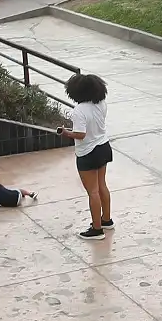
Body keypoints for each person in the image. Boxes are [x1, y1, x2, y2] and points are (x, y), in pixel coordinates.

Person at [60, 73, 113, 239]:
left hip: (87, 153)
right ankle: (106, 220)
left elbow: (81, 134)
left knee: (93, 192)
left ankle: (97, 229)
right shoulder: (101, 103)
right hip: (103, 147)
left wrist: (66, 133)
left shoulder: (79, 110)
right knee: (102, 185)